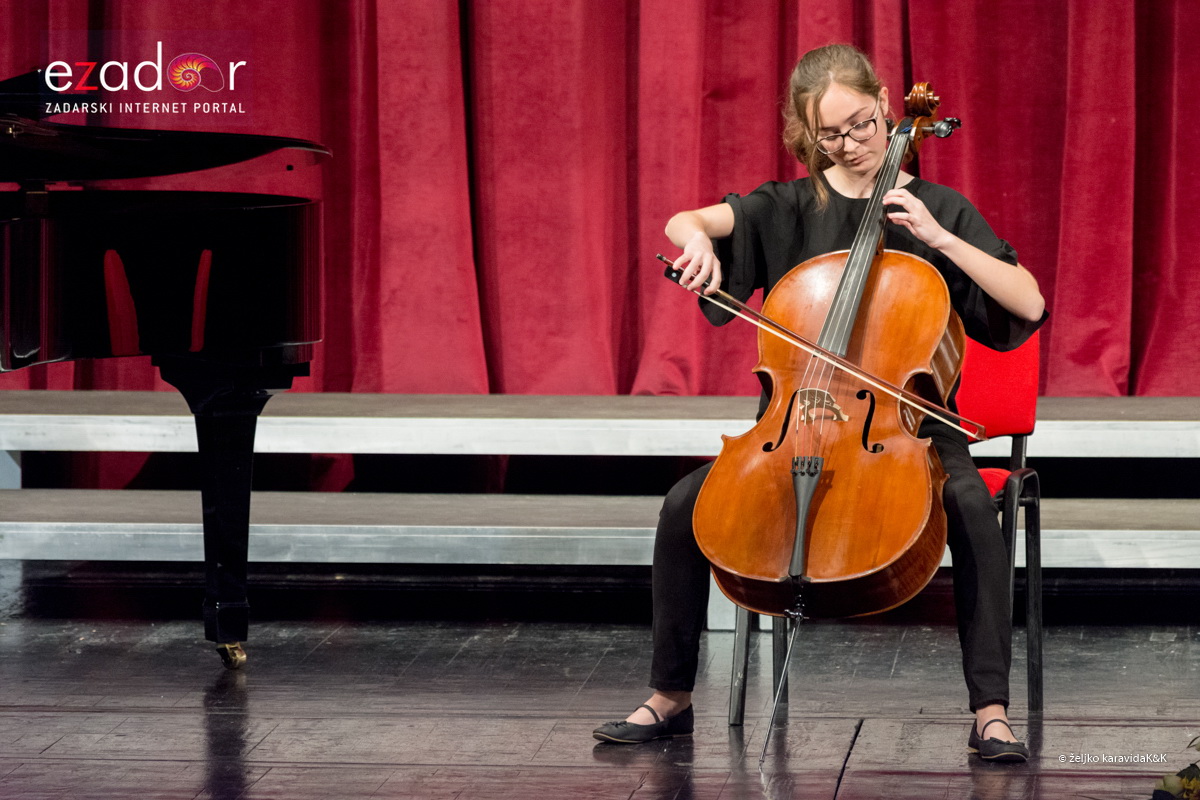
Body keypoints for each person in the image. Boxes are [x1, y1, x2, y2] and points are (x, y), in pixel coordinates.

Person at [592, 43, 1047, 763]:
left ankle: (989, 709)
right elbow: (688, 221)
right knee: (685, 503)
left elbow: (1029, 302)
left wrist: (937, 239)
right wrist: (697, 246)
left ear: (887, 105)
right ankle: (670, 696)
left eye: (861, 125)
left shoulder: (936, 208)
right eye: (829, 134)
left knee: (970, 506)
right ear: (808, 134)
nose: (850, 145)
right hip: (797, 423)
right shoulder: (788, 207)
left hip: (915, 429)